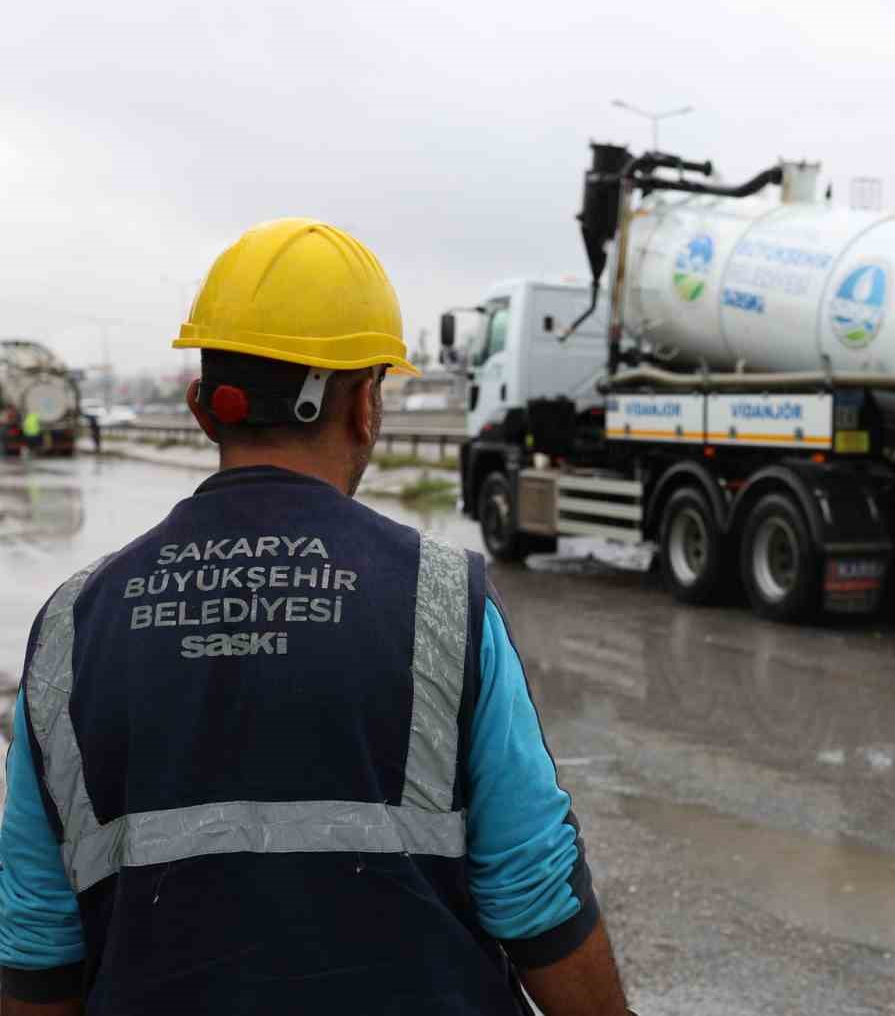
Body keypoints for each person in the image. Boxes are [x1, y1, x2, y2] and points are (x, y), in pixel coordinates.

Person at [0, 219, 632, 1015]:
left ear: (202, 409)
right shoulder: (444, 599)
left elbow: (35, 938)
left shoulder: (69, 627)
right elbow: (533, 888)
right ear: (366, 405)